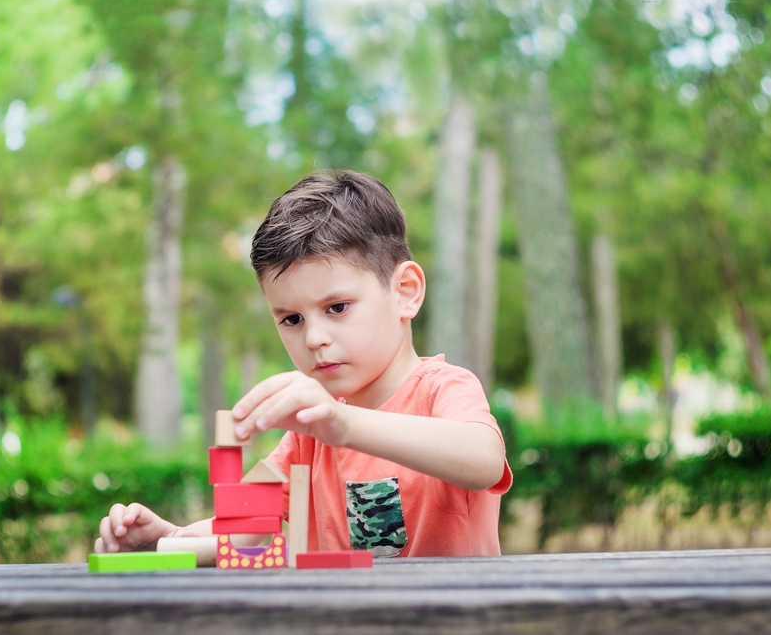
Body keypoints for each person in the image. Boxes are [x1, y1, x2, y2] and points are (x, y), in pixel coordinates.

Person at [96, 170, 512, 557]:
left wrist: (344, 425)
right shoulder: (308, 436)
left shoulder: (441, 389)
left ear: (405, 291)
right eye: (291, 319)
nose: (314, 339)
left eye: (337, 307)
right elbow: (240, 528)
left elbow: (484, 459)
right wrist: (168, 541)